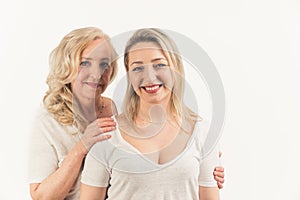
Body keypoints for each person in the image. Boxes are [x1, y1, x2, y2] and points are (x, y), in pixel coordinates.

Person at [80, 28, 222, 199]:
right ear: (129, 76)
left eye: (159, 65)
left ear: (175, 68)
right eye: (137, 68)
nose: (149, 76)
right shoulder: (106, 134)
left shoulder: (202, 132)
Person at [28, 27, 118, 200]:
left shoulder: (112, 108)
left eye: (104, 64)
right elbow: (41, 196)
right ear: (67, 65)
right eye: (85, 63)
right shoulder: (47, 120)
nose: (97, 73)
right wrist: (82, 147)